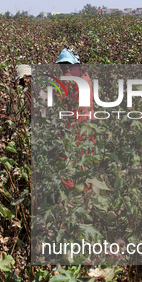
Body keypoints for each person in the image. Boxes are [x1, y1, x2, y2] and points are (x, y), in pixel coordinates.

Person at [54, 49, 95, 192]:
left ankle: (72, 192)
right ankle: (87, 192)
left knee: (68, 160)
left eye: (63, 65)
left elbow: (57, 100)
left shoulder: (67, 79)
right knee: (86, 159)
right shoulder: (85, 76)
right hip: (88, 124)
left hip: (73, 125)